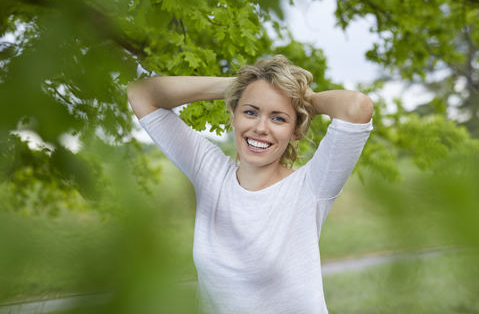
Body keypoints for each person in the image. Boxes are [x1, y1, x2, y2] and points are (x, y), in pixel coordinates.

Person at [127, 55, 374, 314]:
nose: (260, 128)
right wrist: (244, 85)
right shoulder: (210, 174)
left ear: (295, 131)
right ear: (234, 116)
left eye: (278, 118)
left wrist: (301, 96)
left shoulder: (311, 187)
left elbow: (356, 107)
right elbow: (142, 94)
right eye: (250, 112)